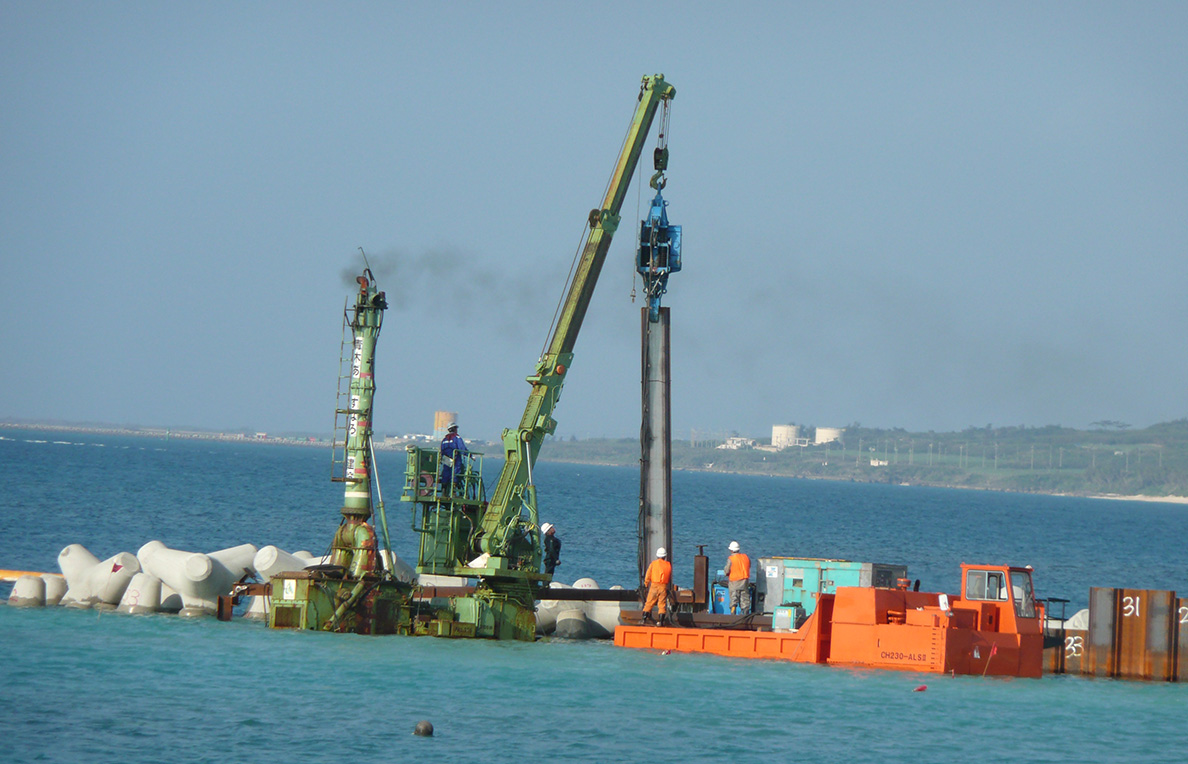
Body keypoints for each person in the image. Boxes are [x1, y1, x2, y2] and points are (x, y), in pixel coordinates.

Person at [642, 547, 672, 625]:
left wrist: (645, 584)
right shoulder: (668, 565)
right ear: (665, 556)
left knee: (649, 603)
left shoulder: (653, 564)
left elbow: (648, 575)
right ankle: (661, 622)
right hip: (663, 586)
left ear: (657, 556)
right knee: (662, 605)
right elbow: (668, 577)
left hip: (654, 586)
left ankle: (644, 620)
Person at [723, 540, 751, 615]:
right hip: (744, 581)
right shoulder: (745, 557)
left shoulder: (731, 559)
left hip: (734, 581)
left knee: (734, 598)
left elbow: (726, 571)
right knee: (744, 597)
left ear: (731, 550)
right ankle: (745, 613)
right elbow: (749, 566)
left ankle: (733, 613)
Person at [439, 422, 468, 493]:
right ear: (454, 429)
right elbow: (462, 448)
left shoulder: (444, 439)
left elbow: (442, 450)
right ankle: (454, 491)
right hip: (455, 459)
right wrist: (470, 455)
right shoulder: (457, 438)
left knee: (446, 473)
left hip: (446, 459)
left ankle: (444, 491)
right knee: (455, 473)